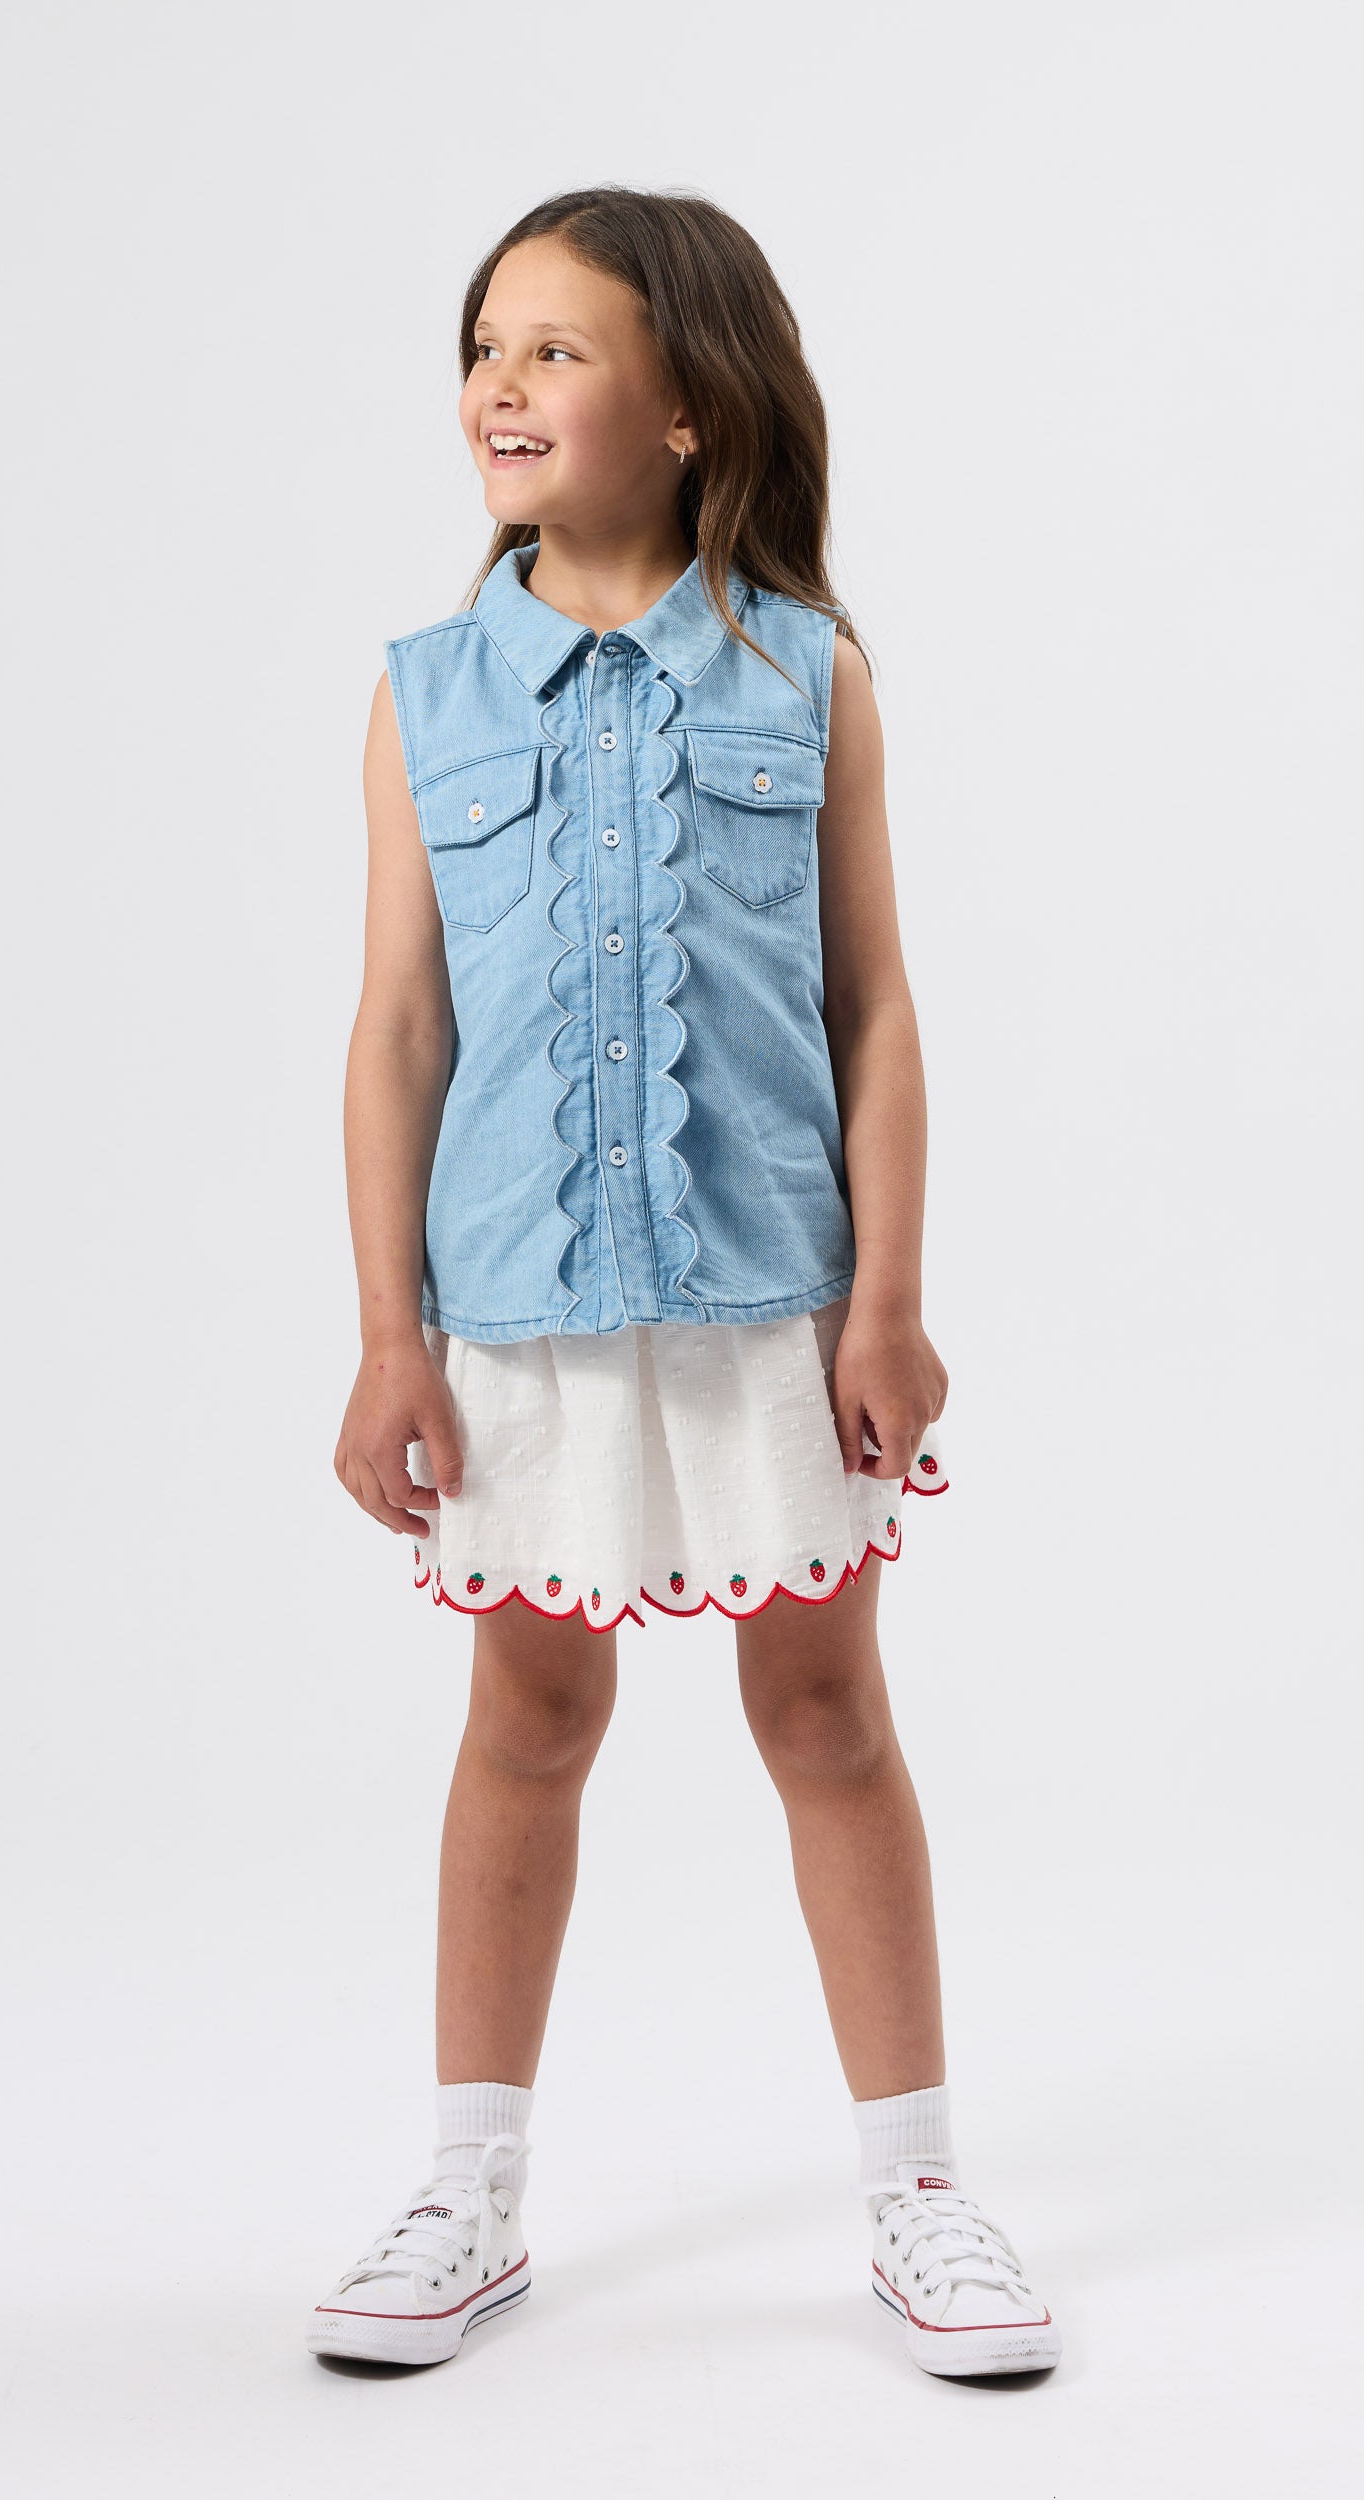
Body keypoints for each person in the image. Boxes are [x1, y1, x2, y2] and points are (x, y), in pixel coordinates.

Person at [311, 185, 1059, 2382]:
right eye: (485, 345)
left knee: (824, 1718)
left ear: (691, 408)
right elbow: (397, 1029)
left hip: (771, 1302)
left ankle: (921, 2189)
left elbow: (873, 1004)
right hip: (517, 1312)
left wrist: (886, 1297)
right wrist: (385, 1339)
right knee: (526, 1723)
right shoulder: (424, 694)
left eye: (555, 347)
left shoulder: (807, 673)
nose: (500, 382)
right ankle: (469, 2185)